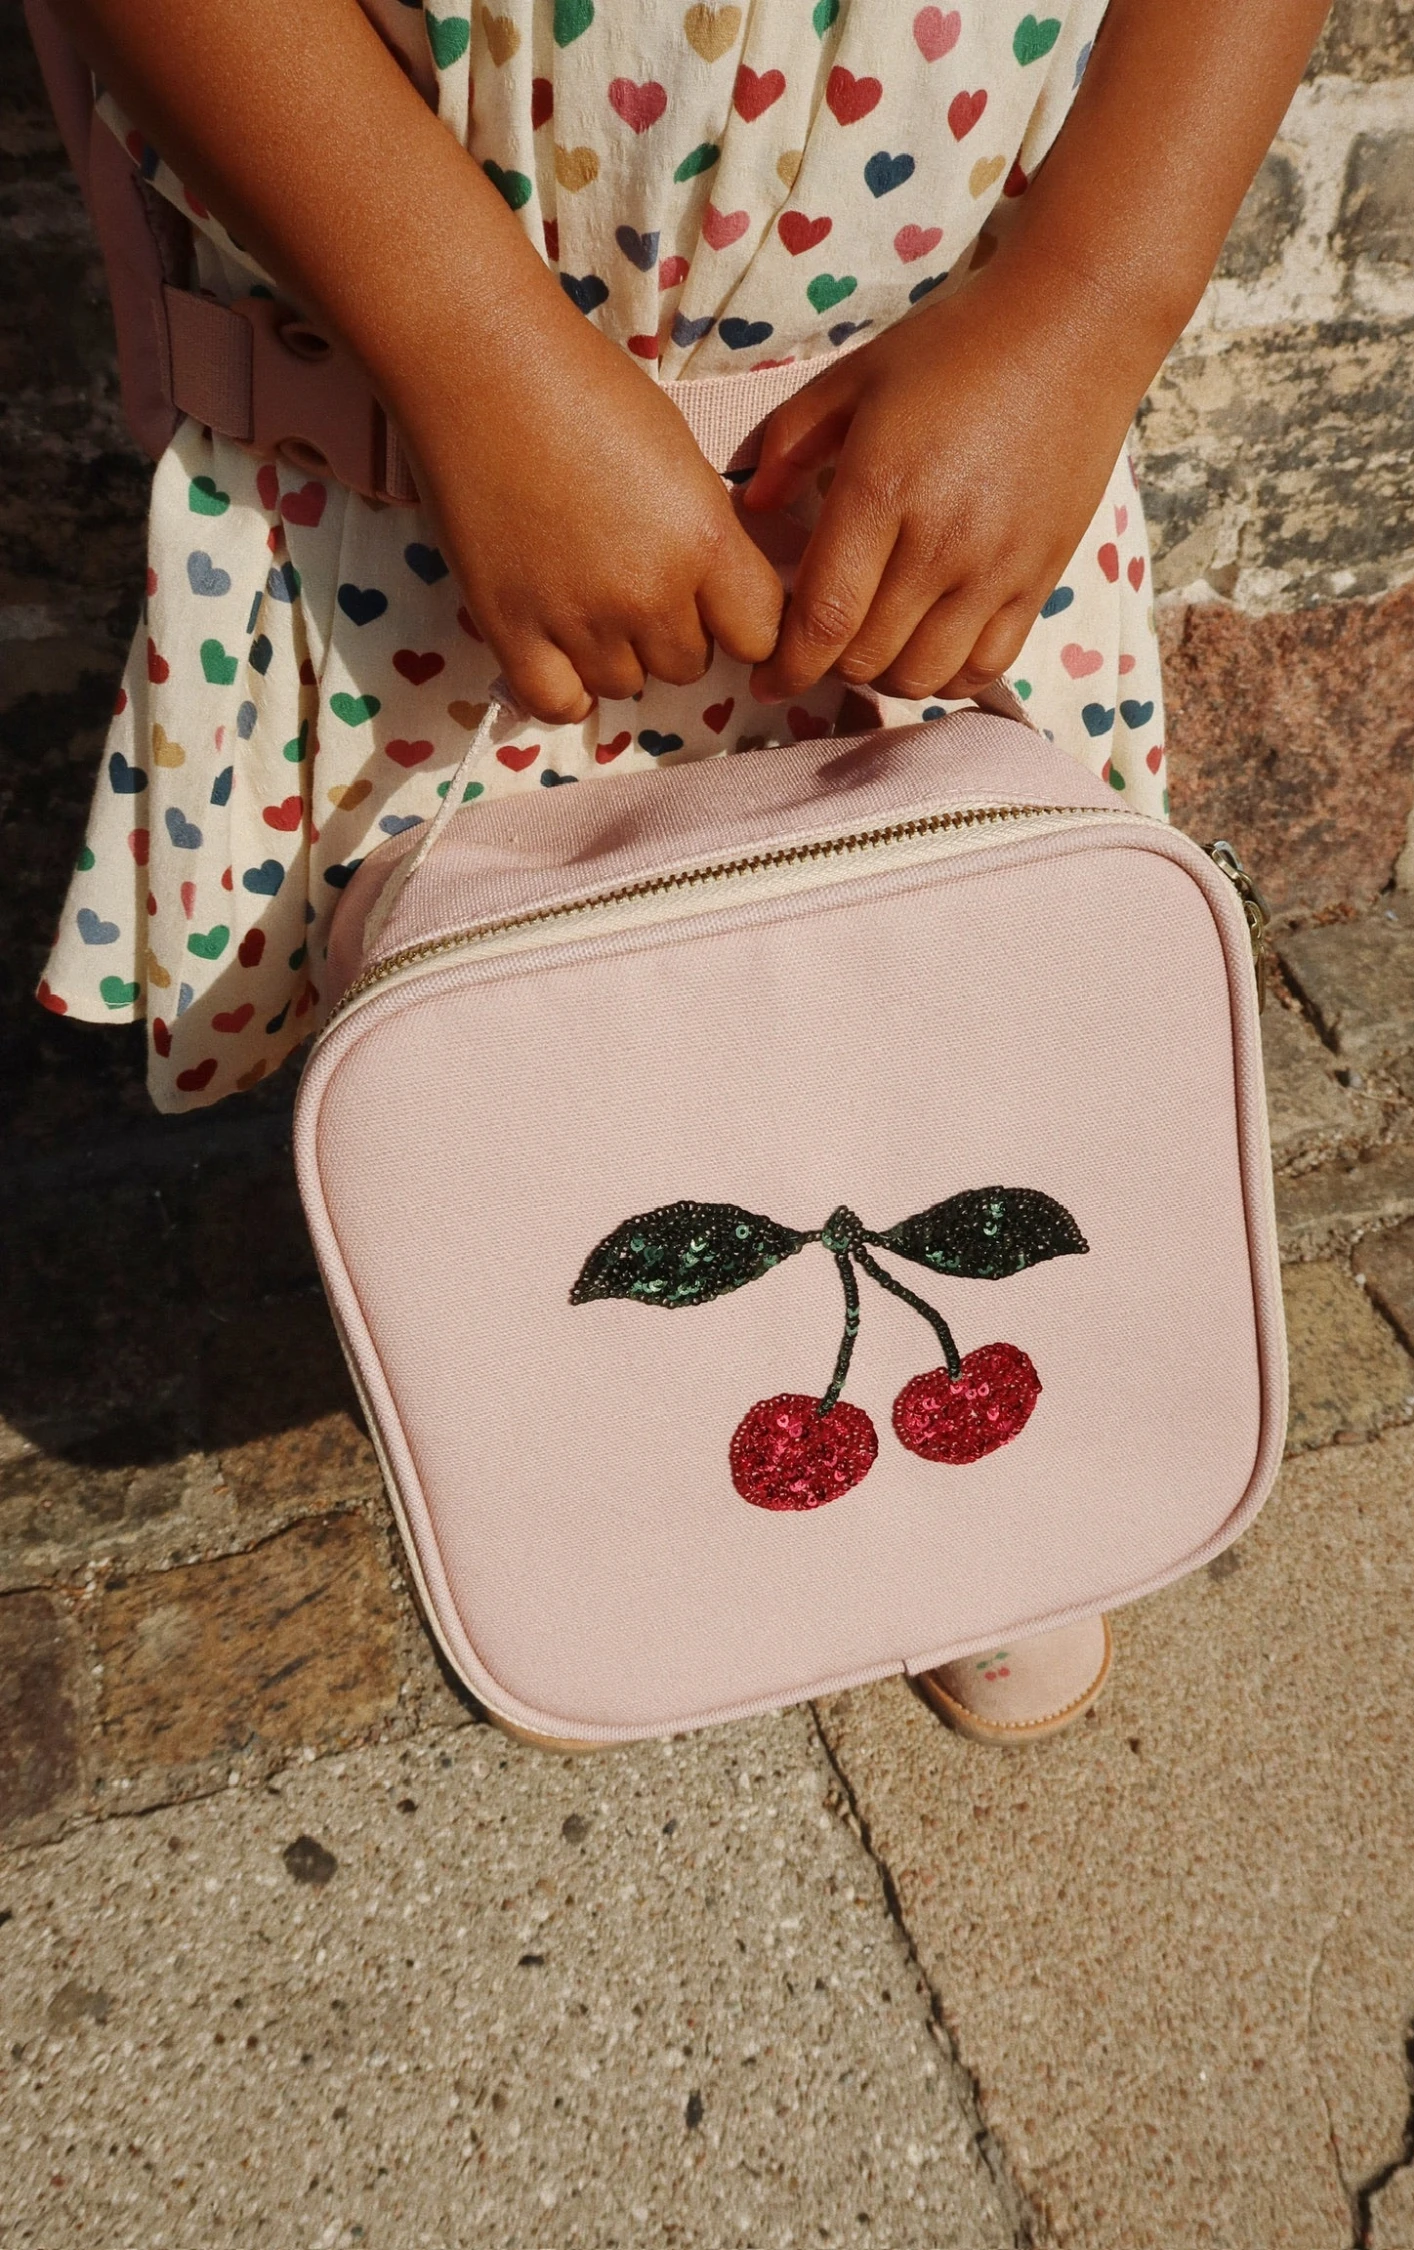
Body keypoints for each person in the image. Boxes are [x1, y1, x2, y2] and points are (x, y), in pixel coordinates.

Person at [39, 0, 1328, 1742]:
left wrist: (1091, 303)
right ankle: (614, 1478)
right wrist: (470, 352)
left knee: (953, 1007)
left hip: (942, 425)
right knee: (532, 1064)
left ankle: (975, 1502)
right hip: (438, 430)